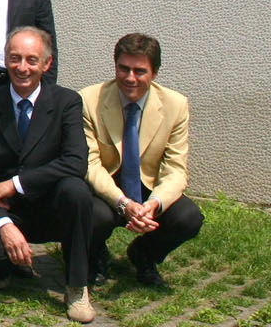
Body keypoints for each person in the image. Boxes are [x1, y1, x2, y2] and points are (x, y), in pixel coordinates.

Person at [0, 27, 95, 323]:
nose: (22, 68)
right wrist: (3, 223)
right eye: (15, 58)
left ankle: (76, 286)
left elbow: (75, 162)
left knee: (77, 191)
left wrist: (16, 184)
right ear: (6, 61)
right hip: (4, 209)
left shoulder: (67, 103)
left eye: (32, 60)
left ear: (46, 64)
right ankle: (7, 264)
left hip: (50, 204)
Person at [82, 34, 203, 288]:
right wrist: (123, 203)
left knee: (189, 217)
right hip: (105, 190)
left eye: (140, 71)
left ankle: (144, 254)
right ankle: (95, 255)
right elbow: (90, 165)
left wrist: (154, 205)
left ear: (155, 73)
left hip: (145, 187)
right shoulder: (88, 100)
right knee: (89, 213)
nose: (130, 78)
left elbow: (176, 171)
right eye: (123, 69)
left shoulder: (176, 105)